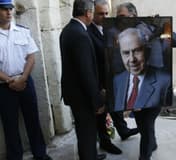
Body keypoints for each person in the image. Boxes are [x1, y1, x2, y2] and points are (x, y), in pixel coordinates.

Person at [0, 0, 52, 159]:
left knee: (33, 120)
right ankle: (15, 157)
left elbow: (31, 57)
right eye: (4, 9)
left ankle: (40, 154)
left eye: (11, 8)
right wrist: (10, 81)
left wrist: (23, 78)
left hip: (25, 82)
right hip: (4, 86)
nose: (9, 12)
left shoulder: (22, 31)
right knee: (10, 124)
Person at [113, 28, 171, 160]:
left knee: (145, 127)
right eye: (126, 53)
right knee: (144, 126)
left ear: (147, 50)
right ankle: (153, 143)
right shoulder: (117, 81)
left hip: (151, 107)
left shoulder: (163, 79)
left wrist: (165, 31)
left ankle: (144, 156)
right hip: (136, 110)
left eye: (137, 50)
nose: (132, 59)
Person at [59, 0, 106, 159]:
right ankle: (89, 156)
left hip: (74, 93)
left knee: (84, 131)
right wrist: (97, 100)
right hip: (82, 96)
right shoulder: (80, 34)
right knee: (87, 132)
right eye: (93, 12)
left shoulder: (68, 30)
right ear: (88, 13)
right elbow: (86, 72)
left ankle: (91, 154)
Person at [87, 0, 123, 155]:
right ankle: (105, 142)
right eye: (100, 13)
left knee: (114, 108)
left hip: (113, 79)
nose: (104, 16)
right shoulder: (87, 32)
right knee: (100, 115)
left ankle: (122, 130)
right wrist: (100, 86)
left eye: (107, 13)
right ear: (92, 14)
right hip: (100, 81)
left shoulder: (110, 30)